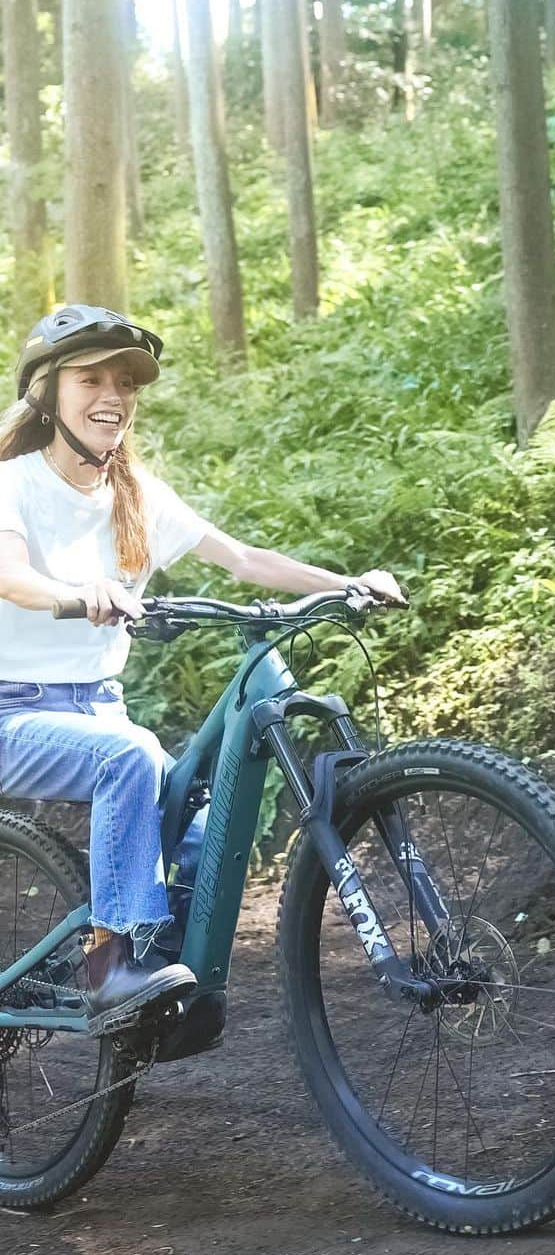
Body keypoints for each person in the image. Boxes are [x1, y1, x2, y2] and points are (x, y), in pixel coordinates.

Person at [0, 305, 404, 1029]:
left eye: (124, 382)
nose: (113, 396)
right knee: (130, 758)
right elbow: (9, 575)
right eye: (90, 379)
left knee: (196, 807)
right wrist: (74, 594)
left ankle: (167, 978)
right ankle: (110, 965)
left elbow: (244, 559)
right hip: (11, 711)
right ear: (47, 395)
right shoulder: (15, 482)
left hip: (100, 707)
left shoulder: (135, 494)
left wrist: (342, 583)